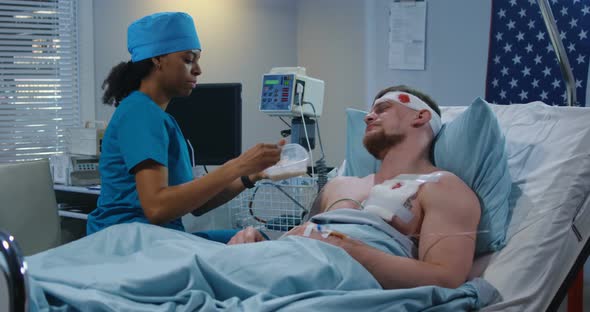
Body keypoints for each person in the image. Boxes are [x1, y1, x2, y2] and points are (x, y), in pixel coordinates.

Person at [229, 85, 481, 290]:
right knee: (193, 253)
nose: (369, 116)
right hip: (282, 265)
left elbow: (445, 279)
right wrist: (261, 244)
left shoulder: (440, 185)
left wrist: (346, 249)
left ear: (420, 116)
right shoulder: (339, 185)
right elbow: (304, 242)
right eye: (370, 111)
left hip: (334, 280)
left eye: (383, 109)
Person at [87, 12, 283, 235]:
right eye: (189, 60)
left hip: (152, 236)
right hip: (131, 241)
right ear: (157, 59)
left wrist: (251, 175)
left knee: (252, 239)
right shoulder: (141, 113)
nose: (198, 70)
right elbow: (157, 208)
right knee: (256, 240)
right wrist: (237, 165)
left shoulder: (155, 115)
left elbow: (198, 205)